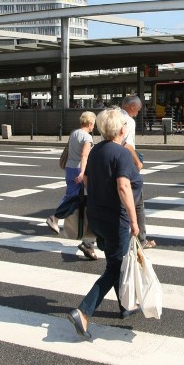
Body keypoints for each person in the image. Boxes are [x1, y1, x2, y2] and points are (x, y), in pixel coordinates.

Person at [67, 108, 141, 340]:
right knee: (114, 268)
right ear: (121, 129)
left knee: (115, 261)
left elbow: (87, 178)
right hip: (114, 217)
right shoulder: (121, 154)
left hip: (96, 216)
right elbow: (123, 187)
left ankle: (125, 306)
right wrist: (134, 219)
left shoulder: (97, 149)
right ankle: (83, 311)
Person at [46, 111, 98, 259]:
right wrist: (82, 172)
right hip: (78, 169)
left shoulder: (74, 133)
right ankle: (55, 217)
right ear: (90, 124)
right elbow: (84, 156)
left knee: (72, 195)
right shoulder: (87, 137)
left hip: (69, 168)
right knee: (79, 198)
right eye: (93, 123)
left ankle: (85, 236)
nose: (94, 126)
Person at [119, 96, 155, 248]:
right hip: (126, 163)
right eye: (138, 110)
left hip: (110, 160)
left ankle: (89, 240)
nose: (138, 113)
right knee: (137, 203)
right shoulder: (129, 121)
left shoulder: (111, 115)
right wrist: (138, 162)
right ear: (133, 106)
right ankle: (141, 239)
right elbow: (127, 144)